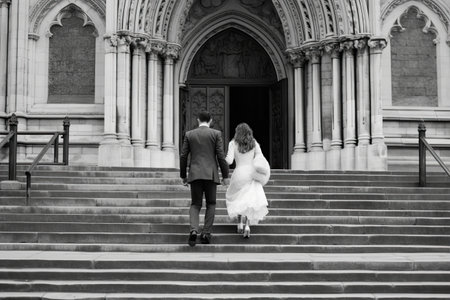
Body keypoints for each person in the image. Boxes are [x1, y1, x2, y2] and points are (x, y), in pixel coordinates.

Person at [180, 111, 230, 247]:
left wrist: (183, 175)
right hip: (210, 174)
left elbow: (183, 156)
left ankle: (193, 231)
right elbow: (220, 156)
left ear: (197, 120)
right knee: (211, 204)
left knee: (195, 204)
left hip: (195, 174)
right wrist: (226, 176)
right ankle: (206, 233)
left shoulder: (189, 134)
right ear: (211, 121)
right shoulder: (216, 134)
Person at [225, 123, 269, 238]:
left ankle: (239, 224)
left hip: (238, 174)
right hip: (251, 173)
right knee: (250, 199)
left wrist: (220, 160)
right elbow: (260, 157)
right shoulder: (254, 143)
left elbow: (229, 161)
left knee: (239, 197)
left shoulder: (232, 143)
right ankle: (247, 225)